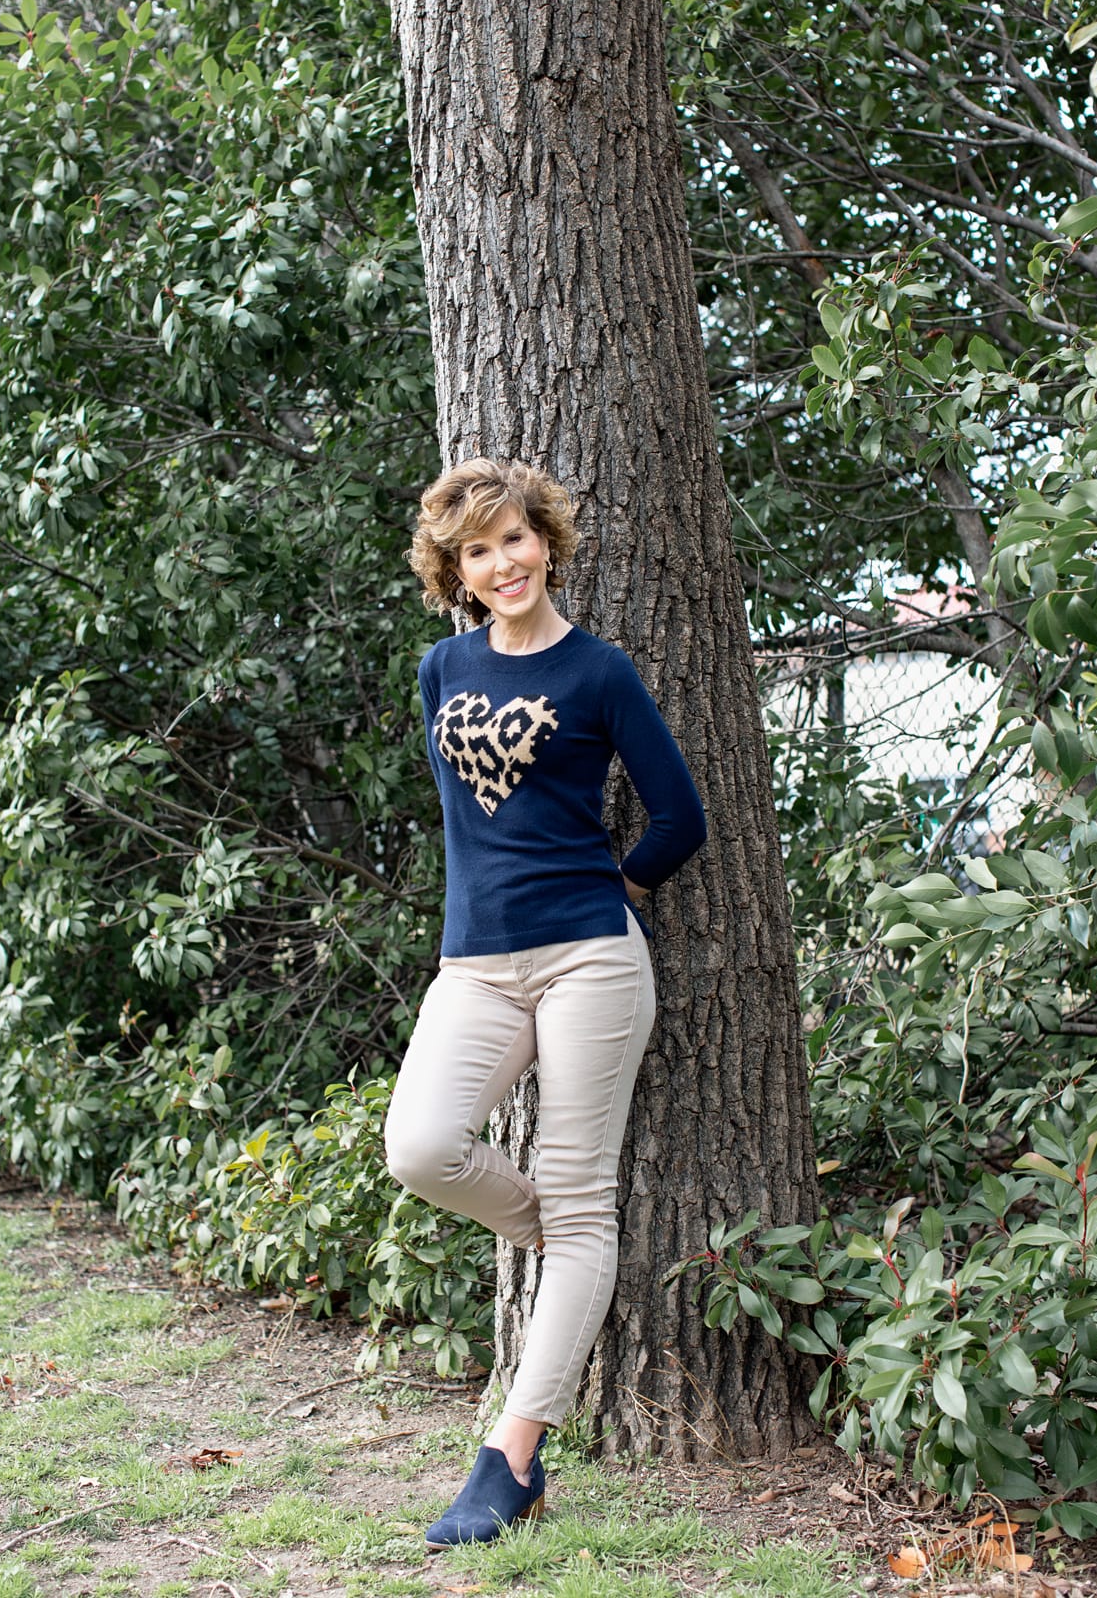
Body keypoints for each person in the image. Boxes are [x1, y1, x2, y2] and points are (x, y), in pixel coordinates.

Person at [385, 457, 707, 1550]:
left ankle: (508, 1460)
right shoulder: (441, 669)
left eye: (514, 539)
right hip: (476, 962)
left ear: (546, 543)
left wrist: (617, 891)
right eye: (476, 551)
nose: (501, 563)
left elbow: (678, 817)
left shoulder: (600, 672)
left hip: (589, 961)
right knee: (421, 1147)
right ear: (455, 571)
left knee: (580, 1197)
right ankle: (569, 1245)